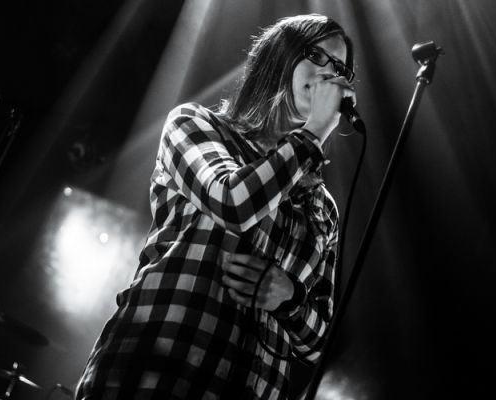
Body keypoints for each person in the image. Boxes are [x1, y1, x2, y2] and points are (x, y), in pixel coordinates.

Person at [75, 13, 356, 400]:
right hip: (151, 375)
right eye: (317, 56)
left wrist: (289, 298)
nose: (329, 73)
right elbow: (232, 202)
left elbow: (320, 344)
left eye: (339, 67)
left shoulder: (322, 207)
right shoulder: (197, 126)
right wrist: (313, 134)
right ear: (281, 57)